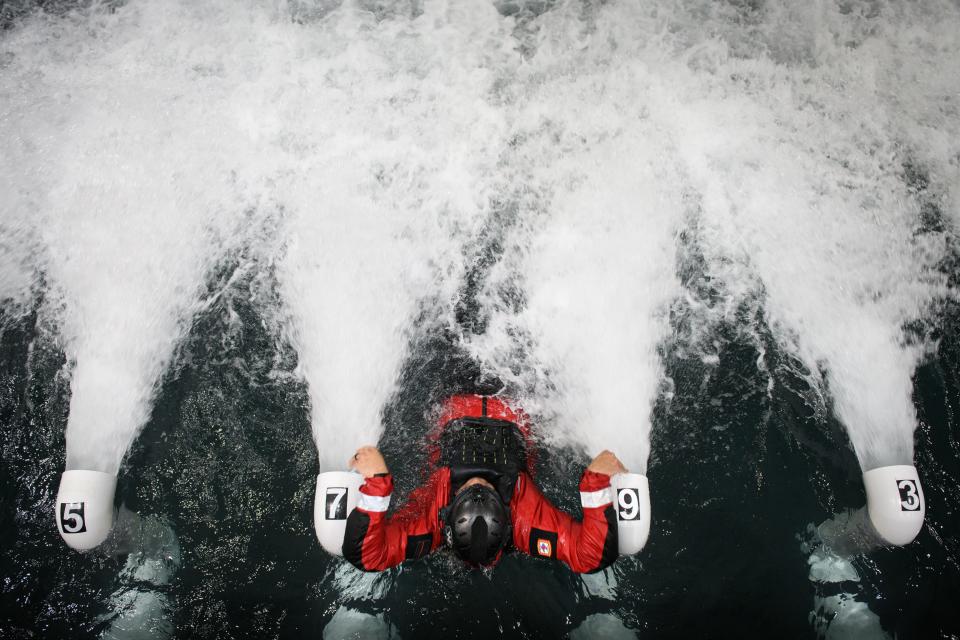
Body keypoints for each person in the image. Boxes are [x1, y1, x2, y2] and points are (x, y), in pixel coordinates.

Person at [343, 394, 627, 573]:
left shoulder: (429, 526)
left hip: (452, 397)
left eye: (470, 487)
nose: (477, 478)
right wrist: (595, 483)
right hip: (512, 400)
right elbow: (590, 556)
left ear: (448, 514)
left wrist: (377, 484)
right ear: (507, 516)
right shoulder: (527, 524)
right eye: (486, 487)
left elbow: (368, 555)